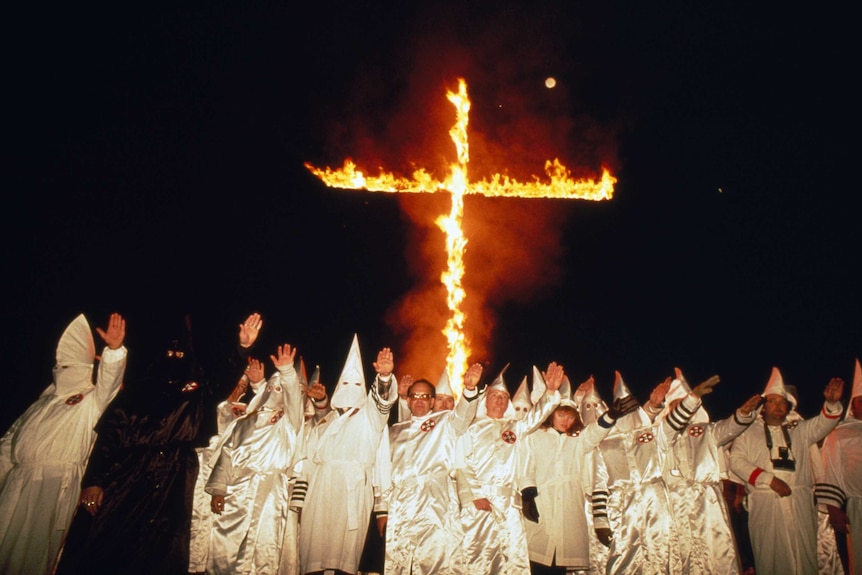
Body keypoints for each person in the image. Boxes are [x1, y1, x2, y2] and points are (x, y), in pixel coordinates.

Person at [56, 317, 210, 575]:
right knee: (106, 540)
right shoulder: (137, 391)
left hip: (172, 478)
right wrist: (94, 481)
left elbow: (223, 378)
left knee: (159, 549)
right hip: (127, 474)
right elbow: (109, 435)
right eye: (169, 352)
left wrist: (242, 350)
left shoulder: (195, 392)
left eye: (180, 352)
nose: (174, 357)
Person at [0, 313, 127, 575]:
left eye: (69, 366)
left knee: (33, 552)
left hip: (56, 482)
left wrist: (114, 352)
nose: (62, 370)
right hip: (17, 482)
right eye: (60, 365)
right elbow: (8, 447)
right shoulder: (41, 404)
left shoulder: (91, 400)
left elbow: (109, 385)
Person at [591, 371, 716, 575]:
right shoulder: (603, 444)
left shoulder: (650, 435)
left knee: (661, 552)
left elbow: (673, 422)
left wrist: (692, 398)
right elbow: (599, 485)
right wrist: (601, 522)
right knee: (623, 557)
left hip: (655, 503)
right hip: (622, 507)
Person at [293, 335, 398, 575]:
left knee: (344, 556)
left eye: (358, 385)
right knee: (313, 552)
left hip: (352, 488)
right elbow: (308, 459)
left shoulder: (368, 419)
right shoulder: (326, 420)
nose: (352, 390)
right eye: (347, 384)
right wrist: (299, 500)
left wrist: (383, 378)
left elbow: (381, 405)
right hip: (319, 489)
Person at [519, 374, 639, 575]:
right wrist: (527, 493)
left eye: (570, 416)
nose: (566, 421)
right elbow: (526, 465)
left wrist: (611, 416)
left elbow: (594, 433)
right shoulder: (535, 436)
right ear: (551, 414)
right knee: (538, 557)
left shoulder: (577, 439)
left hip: (569, 505)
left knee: (561, 561)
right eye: (561, 415)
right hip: (542, 503)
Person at [728, 367, 844, 575]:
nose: (778, 407)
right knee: (772, 557)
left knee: (804, 555)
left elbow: (824, 424)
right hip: (765, 504)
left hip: (800, 504)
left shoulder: (800, 429)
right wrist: (768, 479)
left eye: (782, 403)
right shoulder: (747, 432)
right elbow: (736, 461)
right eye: (773, 402)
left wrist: (832, 404)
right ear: (763, 406)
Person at [454, 361, 563, 575]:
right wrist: (475, 496)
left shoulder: (514, 427)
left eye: (504, 397)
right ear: (485, 400)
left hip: (508, 505)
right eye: (495, 395)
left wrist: (549, 392)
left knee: (511, 559)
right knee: (476, 556)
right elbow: (462, 463)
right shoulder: (471, 427)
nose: (500, 400)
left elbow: (535, 416)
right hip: (479, 501)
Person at [651, 367, 761, 574]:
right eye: (676, 405)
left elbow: (729, 428)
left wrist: (744, 413)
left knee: (713, 555)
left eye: (684, 405)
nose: (681, 410)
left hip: (705, 504)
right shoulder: (659, 435)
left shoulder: (705, 431)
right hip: (671, 503)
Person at [376, 363, 483, 574]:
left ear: (432, 401)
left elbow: (463, 416)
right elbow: (383, 472)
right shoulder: (394, 431)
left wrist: (469, 390)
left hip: (435, 502)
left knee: (436, 559)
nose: (419, 400)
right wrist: (381, 510)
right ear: (408, 400)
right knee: (400, 561)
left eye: (425, 397)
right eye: (415, 396)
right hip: (401, 504)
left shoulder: (444, 422)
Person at [206, 343, 303, 574]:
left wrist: (288, 373)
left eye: (282, 390)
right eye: (272, 388)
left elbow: (294, 400)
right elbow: (226, 455)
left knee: (265, 548)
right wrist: (219, 489)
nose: (276, 393)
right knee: (226, 546)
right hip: (238, 490)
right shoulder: (242, 423)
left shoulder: (288, 422)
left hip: (271, 491)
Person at [187, 358, 264, 574]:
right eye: (236, 383)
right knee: (196, 519)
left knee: (220, 527)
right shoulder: (208, 405)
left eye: (243, 386)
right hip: (201, 469)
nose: (238, 389)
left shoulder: (247, 413)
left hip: (229, 476)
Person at [819, 358, 862, 574]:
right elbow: (830, 471)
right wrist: (834, 509)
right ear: (853, 405)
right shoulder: (839, 433)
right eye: (861, 400)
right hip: (858, 506)